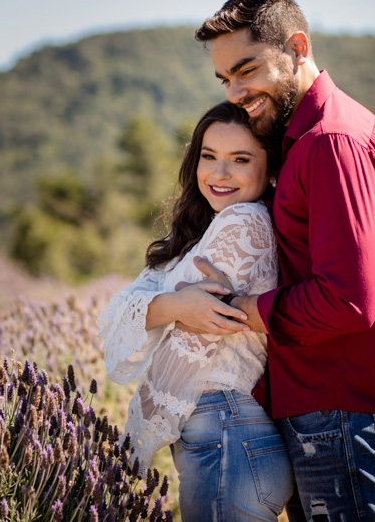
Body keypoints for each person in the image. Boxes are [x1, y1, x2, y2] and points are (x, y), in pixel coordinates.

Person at [153, 0, 375, 521]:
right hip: (316, 409)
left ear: (297, 47)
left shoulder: (332, 141)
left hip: (340, 410)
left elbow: (347, 299)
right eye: (225, 79)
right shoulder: (298, 140)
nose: (235, 92)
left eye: (246, 70)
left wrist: (240, 311)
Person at [98, 101, 294, 522]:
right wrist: (175, 304)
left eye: (240, 160)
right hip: (225, 438)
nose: (219, 174)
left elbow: (182, 339)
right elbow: (116, 313)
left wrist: (159, 308)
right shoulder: (203, 231)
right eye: (209, 156)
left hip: (227, 435)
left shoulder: (244, 223)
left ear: (271, 170)